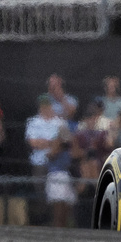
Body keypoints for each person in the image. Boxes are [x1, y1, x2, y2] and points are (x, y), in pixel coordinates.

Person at [27, 95, 74, 228]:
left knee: (59, 197)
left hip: (57, 165)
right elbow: (33, 143)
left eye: (48, 105)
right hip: (39, 162)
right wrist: (52, 143)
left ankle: (58, 222)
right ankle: (44, 221)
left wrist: (50, 143)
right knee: (41, 193)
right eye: (43, 105)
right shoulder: (34, 122)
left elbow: (65, 142)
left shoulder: (60, 122)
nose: (46, 108)